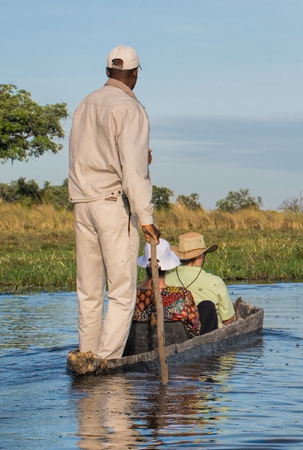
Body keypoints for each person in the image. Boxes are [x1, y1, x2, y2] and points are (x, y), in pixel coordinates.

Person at [68, 44, 160, 360]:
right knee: (121, 293)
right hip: (112, 203)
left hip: (82, 201)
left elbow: (85, 152)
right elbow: (133, 171)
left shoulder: (85, 103)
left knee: (89, 291)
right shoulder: (130, 109)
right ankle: (106, 361)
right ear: (134, 74)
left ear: (108, 72)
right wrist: (145, 216)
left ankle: (86, 354)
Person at [166, 232, 236, 334]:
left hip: (176, 332)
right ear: (199, 257)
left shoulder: (165, 281)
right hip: (206, 334)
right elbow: (228, 320)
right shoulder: (216, 282)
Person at [133, 239, 201, 338]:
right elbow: (195, 329)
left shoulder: (131, 295)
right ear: (168, 268)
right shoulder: (182, 295)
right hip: (178, 346)